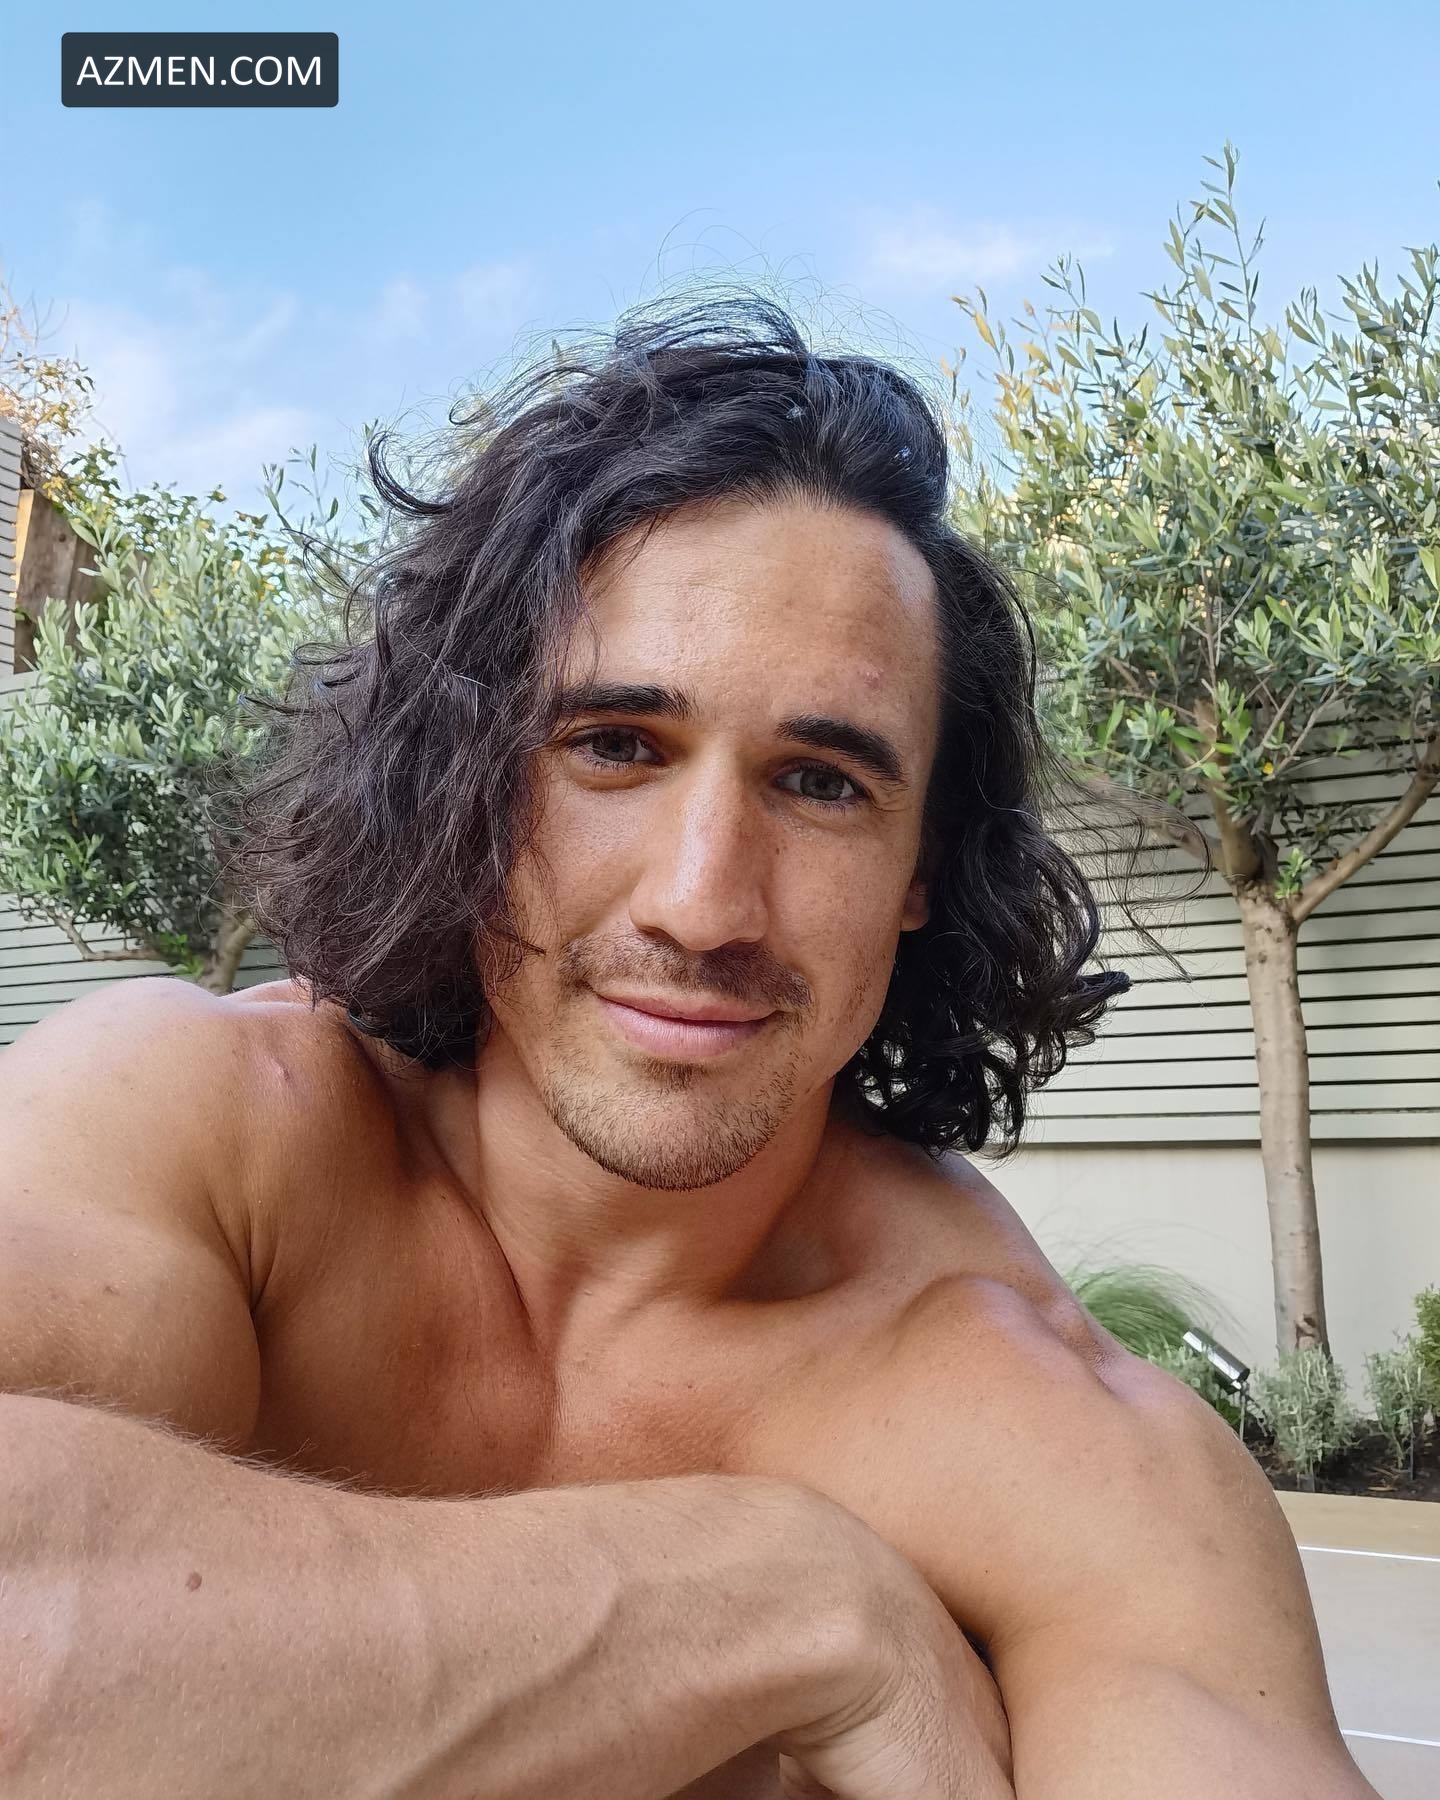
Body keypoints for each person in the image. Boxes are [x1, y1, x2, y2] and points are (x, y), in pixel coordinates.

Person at [0, 290, 1376, 1799]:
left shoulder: (1044, 1440)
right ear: (469, 780)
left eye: (822, 782)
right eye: (615, 748)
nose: (704, 902)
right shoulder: (196, 1132)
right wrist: (782, 1600)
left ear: (923, 867)